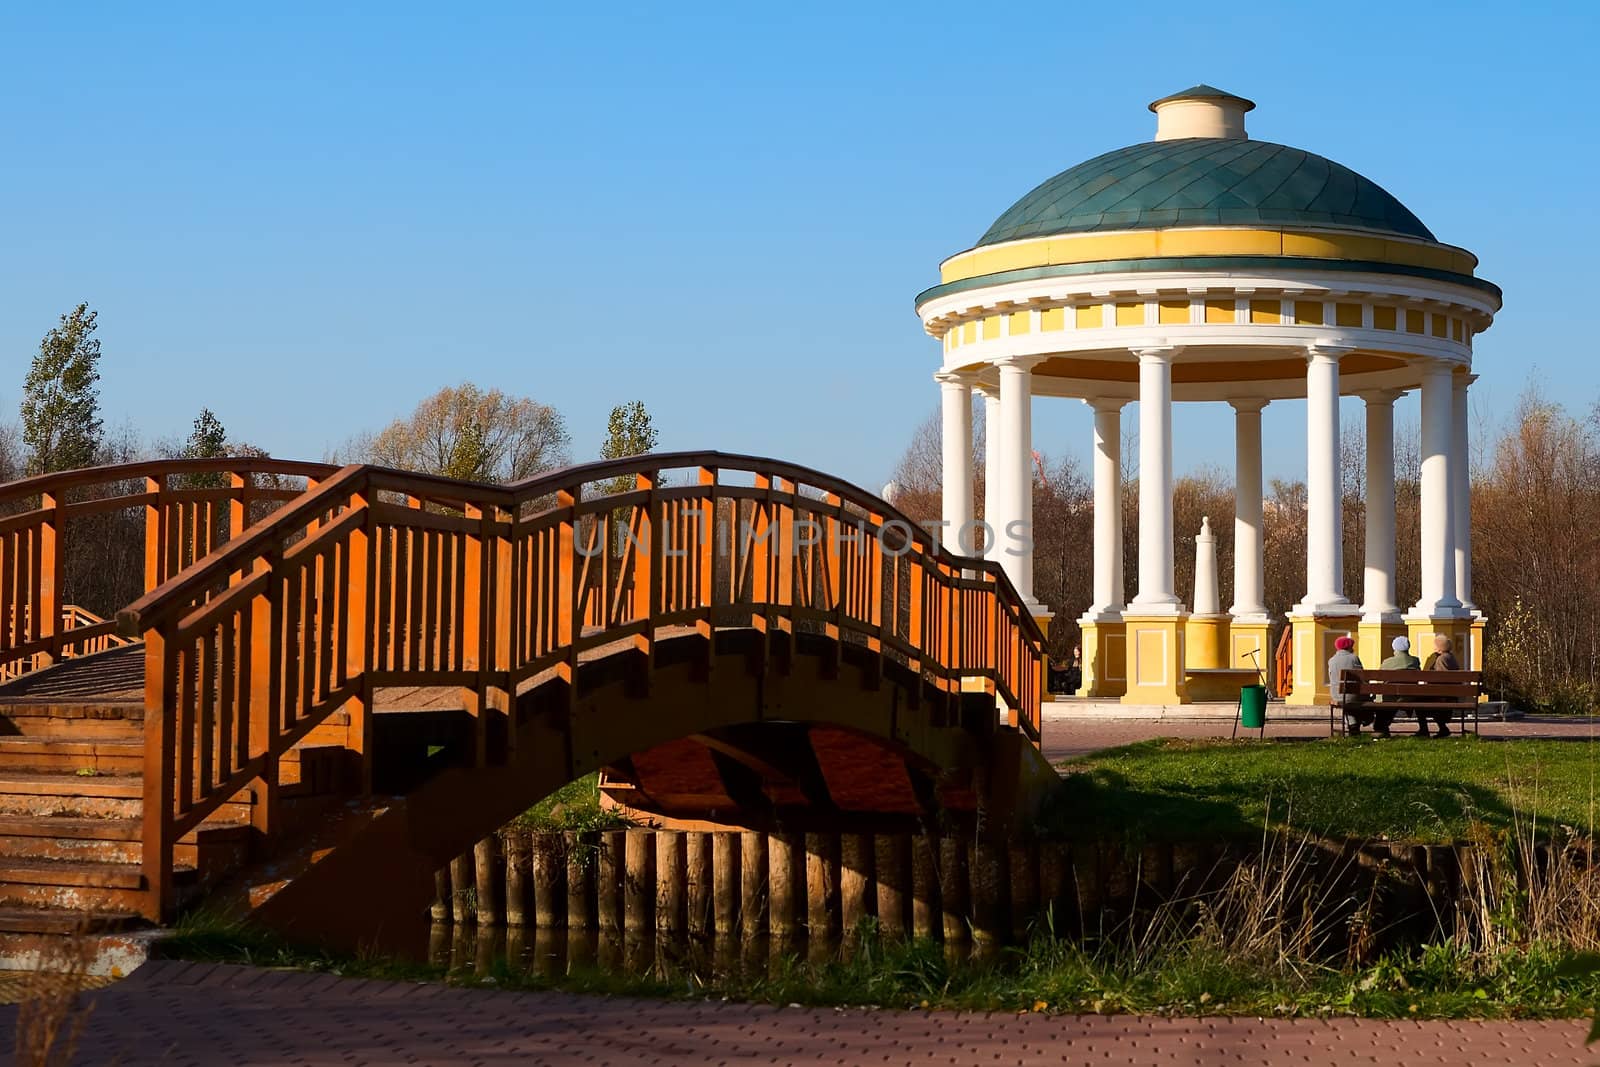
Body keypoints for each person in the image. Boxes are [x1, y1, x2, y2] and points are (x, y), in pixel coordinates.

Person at [1379, 635, 1422, 739]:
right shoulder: (1415, 661)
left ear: (1394, 648)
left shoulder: (1387, 662)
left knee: (1383, 700)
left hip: (1391, 698)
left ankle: (1383, 729)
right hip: (1411, 697)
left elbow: (1380, 679)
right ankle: (1423, 728)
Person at [1420, 634, 1462, 737]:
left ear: (1439, 647)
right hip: (1450, 695)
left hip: (1442, 696)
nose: (1433, 647)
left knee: (1419, 704)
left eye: (1434, 645)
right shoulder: (1451, 657)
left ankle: (1424, 730)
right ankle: (1443, 729)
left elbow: (1439, 679)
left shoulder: (1441, 660)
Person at [1327, 635, 1367, 736]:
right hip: (1353, 694)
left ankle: (1353, 724)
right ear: (1349, 647)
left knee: (1346, 700)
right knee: (1356, 698)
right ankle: (1360, 722)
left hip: (1337, 695)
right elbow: (1362, 676)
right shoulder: (1354, 658)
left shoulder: (1331, 660)